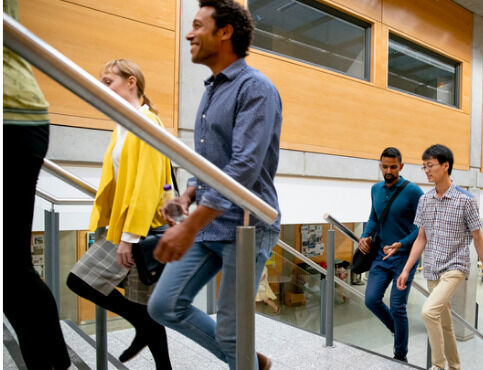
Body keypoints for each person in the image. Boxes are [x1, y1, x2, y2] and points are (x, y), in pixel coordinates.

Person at [146, 1, 282, 369]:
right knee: (163, 305)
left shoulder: (256, 88)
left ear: (225, 32)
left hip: (246, 226)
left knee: (232, 332)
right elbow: (209, 162)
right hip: (210, 222)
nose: (188, 34)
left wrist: (189, 226)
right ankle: (251, 362)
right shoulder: (211, 90)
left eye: (197, 26)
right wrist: (190, 192)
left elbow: (244, 167)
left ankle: (245, 360)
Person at [66, 59, 172, 368]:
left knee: (80, 281)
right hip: (120, 227)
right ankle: (146, 328)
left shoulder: (146, 122)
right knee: (141, 306)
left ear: (131, 82)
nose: (104, 87)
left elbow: (148, 185)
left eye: (108, 81)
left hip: (135, 231)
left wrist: (128, 237)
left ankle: (143, 323)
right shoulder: (123, 125)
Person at [3, 0, 72, 368]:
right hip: (17, 116)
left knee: (11, 273)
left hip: (10, 115)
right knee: (11, 272)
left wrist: (128, 235)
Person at [394, 144, 483, 370]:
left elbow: (479, 239)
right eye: (424, 167)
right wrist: (406, 269)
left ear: (445, 165)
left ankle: (438, 366)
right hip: (432, 268)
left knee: (429, 312)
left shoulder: (466, 200)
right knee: (445, 323)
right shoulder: (425, 200)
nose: (427, 171)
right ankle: (455, 367)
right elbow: (421, 238)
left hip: (455, 267)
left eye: (430, 166)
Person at [359, 147, 423, 362]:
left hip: (404, 258)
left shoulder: (414, 192)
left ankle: (400, 355)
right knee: (371, 299)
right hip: (380, 256)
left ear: (401, 166)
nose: (388, 170)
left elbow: (421, 229)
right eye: (385, 166)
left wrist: (401, 243)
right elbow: (373, 217)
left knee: (397, 306)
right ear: (380, 166)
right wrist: (365, 235)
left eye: (393, 167)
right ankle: (399, 331)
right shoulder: (375, 189)